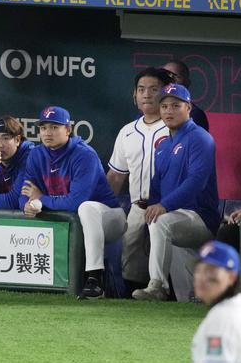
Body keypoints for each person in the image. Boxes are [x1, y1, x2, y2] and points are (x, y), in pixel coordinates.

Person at [18, 106, 125, 300]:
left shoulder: (84, 155)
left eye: (54, 127)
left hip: (109, 217)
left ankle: (95, 279)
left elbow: (76, 202)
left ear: (68, 130)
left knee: (85, 208)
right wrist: (27, 204)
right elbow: (24, 193)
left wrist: (41, 198)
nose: (47, 132)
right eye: (43, 128)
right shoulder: (36, 155)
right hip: (76, 221)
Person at [133, 84, 220, 302]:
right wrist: (152, 207)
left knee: (160, 221)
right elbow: (156, 184)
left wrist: (163, 206)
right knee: (188, 298)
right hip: (176, 218)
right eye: (164, 106)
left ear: (188, 107)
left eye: (175, 105)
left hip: (199, 217)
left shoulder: (200, 138)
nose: (169, 111)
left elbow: (196, 182)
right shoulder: (164, 145)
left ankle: (157, 285)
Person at [106, 67, 173, 292]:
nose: (146, 94)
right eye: (141, 89)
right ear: (134, 95)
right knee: (130, 269)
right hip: (138, 207)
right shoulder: (127, 131)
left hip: (170, 208)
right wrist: (103, 207)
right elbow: (116, 176)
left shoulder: (176, 128)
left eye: (154, 89)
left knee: (171, 270)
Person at [161, 59, 210, 131]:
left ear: (187, 83)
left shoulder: (194, 115)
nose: (169, 82)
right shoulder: (149, 113)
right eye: (165, 77)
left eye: (176, 77)